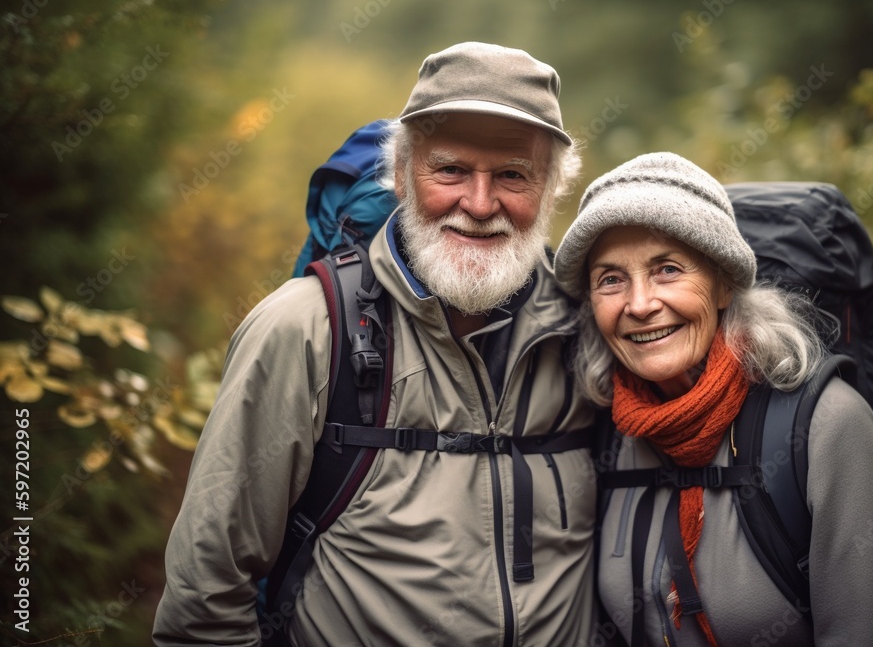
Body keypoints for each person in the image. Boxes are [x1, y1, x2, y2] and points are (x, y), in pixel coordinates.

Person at [152, 42, 600, 646]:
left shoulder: (589, 327)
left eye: (513, 176)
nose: (479, 203)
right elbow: (205, 594)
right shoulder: (303, 331)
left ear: (551, 190)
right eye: (450, 170)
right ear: (400, 174)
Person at [553, 152, 873, 645]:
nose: (640, 304)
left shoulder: (825, 426)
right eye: (611, 279)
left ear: (723, 287)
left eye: (668, 269)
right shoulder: (613, 431)